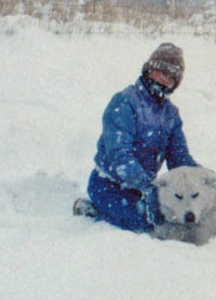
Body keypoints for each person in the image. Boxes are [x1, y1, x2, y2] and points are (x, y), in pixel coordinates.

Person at [73, 43, 199, 232]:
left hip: (143, 191)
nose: (163, 80)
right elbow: (119, 155)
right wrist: (145, 185)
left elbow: (179, 158)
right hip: (108, 185)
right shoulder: (125, 102)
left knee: (171, 219)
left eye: (171, 77)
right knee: (145, 223)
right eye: (160, 72)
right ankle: (91, 210)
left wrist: (207, 179)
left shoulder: (170, 114)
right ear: (149, 70)